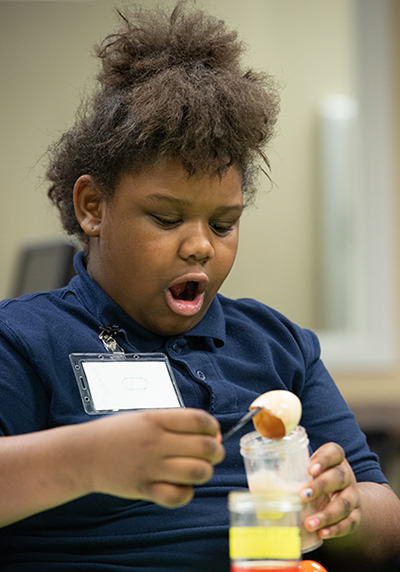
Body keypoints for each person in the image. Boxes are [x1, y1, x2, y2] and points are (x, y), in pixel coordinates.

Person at [0, 2, 399, 570]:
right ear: (93, 207)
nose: (201, 246)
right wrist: (84, 461)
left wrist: (343, 508)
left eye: (223, 223)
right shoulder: (22, 339)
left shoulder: (276, 344)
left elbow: (386, 524)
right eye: (166, 219)